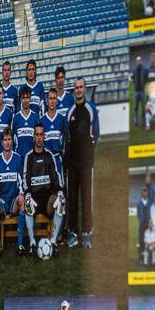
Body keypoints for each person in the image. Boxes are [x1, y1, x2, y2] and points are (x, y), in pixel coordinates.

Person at [64, 77, 100, 248]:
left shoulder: (91, 110)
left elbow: (96, 134)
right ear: (74, 91)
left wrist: (89, 155)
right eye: (76, 88)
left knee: (86, 198)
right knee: (72, 199)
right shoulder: (70, 112)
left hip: (86, 164)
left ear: (85, 89)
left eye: (81, 87)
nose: (78, 90)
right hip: (72, 164)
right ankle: (73, 232)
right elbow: (67, 137)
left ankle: (86, 232)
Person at [23, 123, 64, 247]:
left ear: (44, 136)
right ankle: (32, 243)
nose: (39, 137)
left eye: (41, 134)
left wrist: (59, 191)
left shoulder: (49, 155)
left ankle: (53, 241)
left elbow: (55, 176)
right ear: (34, 137)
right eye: (37, 135)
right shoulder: (29, 157)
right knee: (28, 203)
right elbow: (25, 179)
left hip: (47, 200)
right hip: (35, 198)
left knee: (61, 201)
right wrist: (27, 194)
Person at [0, 129, 26, 254]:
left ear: (12, 141)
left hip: (14, 201)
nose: (7, 142)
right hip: (3, 202)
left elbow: (22, 181)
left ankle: (20, 244)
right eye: (5, 140)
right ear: (2, 142)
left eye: (9, 139)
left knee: (22, 202)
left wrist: (21, 193)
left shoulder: (18, 158)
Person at [136, 185, 152, 264]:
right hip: (142, 224)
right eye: (143, 192)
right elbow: (138, 214)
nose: (145, 193)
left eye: (146, 192)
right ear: (141, 193)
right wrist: (141, 220)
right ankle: (141, 258)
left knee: (149, 240)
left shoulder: (149, 202)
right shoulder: (139, 203)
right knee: (141, 241)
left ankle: (149, 258)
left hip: (148, 224)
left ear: (147, 193)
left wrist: (149, 221)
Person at [132, 55, 147, 128]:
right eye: (137, 61)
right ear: (136, 62)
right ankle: (135, 122)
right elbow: (133, 78)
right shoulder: (134, 70)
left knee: (143, 107)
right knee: (135, 108)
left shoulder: (144, 69)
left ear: (141, 61)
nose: (138, 62)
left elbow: (146, 78)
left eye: (139, 60)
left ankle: (143, 121)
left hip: (142, 91)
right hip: (136, 91)